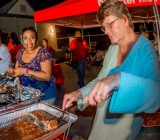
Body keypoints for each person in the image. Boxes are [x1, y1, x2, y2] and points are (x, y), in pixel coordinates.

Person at [62, 0, 160, 140]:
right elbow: (100, 79)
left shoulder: (146, 49)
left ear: (125, 20)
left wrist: (119, 79)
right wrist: (79, 93)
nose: (106, 32)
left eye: (110, 25)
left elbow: (156, 93)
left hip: (123, 129)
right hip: (100, 122)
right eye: (104, 27)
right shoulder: (113, 48)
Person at [7, 27, 57, 105]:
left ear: (36, 38)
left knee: (43, 117)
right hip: (28, 96)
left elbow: (47, 77)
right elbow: (17, 71)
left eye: (32, 37)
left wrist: (25, 71)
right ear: (22, 40)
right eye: (25, 38)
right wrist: (11, 72)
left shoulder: (43, 52)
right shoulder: (20, 52)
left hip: (45, 96)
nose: (29, 41)